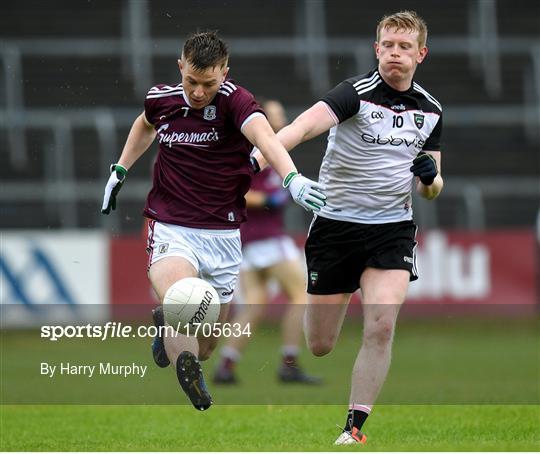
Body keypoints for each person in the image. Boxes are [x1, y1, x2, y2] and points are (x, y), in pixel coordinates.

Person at [101, 31, 326, 411]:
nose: (199, 92)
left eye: (209, 83)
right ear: (180, 67)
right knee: (182, 297)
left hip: (223, 234)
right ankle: (176, 336)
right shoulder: (162, 99)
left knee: (206, 346)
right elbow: (144, 124)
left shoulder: (237, 103)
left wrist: (291, 178)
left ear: (225, 72)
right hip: (172, 226)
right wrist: (120, 168)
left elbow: (267, 140)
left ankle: (173, 335)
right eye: (191, 81)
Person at [251, 11, 443, 444]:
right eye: (388, 45)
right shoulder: (353, 94)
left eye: (405, 46)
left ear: (421, 54)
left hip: (392, 229)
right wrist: (255, 161)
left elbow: (432, 188)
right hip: (336, 227)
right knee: (319, 344)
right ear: (377, 49)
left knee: (381, 325)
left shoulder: (431, 111)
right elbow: (299, 129)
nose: (395, 53)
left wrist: (430, 178)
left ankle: (354, 429)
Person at [213, 99, 321, 385]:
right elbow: (238, 189)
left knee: (255, 304)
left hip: (249, 241)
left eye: (281, 115)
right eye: (273, 116)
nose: (280, 120)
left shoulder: (275, 153)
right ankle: (289, 363)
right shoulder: (258, 153)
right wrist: (269, 200)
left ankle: (226, 366)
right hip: (265, 239)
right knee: (301, 295)